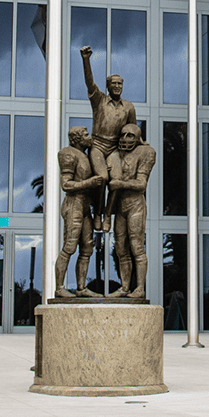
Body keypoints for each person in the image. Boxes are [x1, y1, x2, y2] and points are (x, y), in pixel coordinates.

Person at [80, 45, 137, 231]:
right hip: (97, 145)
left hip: (114, 148)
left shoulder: (128, 107)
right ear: (108, 86)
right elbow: (89, 82)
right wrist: (86, 59)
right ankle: (97, 212)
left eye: (120, 84)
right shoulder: (99, 100)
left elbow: (133, 129)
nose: (117, 86)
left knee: (116, 180)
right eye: (114, 84)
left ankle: (107, 215)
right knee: (102, 177)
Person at [104, 123, 155, 299]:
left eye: (130, 135)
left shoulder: (146, 152)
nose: (125, 139)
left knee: (136, 246)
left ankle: (140, 288)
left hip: (135, 204)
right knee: (120, 248)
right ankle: (125, 287)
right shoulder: (114, 155)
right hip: (120, 206)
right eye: (123, 134)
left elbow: (141, 184)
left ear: (137, 137)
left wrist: (121, 184)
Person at [54, 126, 102, 298]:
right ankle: (59, 288)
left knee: (87, 247)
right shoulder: (67, 153)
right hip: (73, 202)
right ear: (75, 139)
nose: (89, 138)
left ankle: (81, 288)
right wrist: (89, 183)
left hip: (85, 205)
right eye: (85, 135)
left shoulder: (87, 155)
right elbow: (66, 184)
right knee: (69, 247)